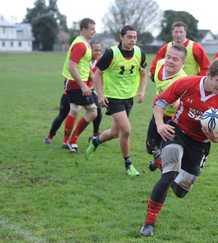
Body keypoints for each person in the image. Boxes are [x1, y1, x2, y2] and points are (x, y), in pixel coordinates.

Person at [140, 57, 218, 237]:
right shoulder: (187, 84)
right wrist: (160, 124)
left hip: (201, 143)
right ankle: (149, 223)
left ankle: (160, 160)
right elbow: (160, 102)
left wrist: (216, 138)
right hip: (178, 132)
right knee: (170, 174)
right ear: (208, 75)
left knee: (181, 191)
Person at [85, 25, 147, 177]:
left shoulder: (139, 53)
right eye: (129, 37)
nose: (132, 40)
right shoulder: (112, 53)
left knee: (115, 133)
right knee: (126, 130)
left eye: (135, 37)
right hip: (113, 97)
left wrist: (142, 91)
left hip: (128, 97)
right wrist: (100, 96)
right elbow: (98, 74)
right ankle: (128, 164)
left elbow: (144, 74)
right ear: (121, 36)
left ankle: (95, 141)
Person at [43, 40, 103, 145]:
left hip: (88, 90)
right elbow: (72, 73)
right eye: (95, 50)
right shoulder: (83, 59)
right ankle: (50, 136)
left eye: (100, 50)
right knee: (62, 115)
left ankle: (94, 134)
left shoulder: (100, 61)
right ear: (89, 50)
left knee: (97, 110)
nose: (98, 53)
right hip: (74, 90)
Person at [145, 44, 187, 171]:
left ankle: (166, 171)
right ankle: (158, 160)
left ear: (183, 63)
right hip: (158, 112)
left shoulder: (183, 80)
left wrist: (178, 102)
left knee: (168, 149)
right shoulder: (160, 64)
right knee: (150, 146)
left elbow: (187, 101)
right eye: (168, 57)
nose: (170, 61)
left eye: (175, 59)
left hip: (173, 118)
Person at [61, 18, 97, 153]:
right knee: (93, 112)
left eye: (94, 28)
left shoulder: (83, 43)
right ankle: (72, 141)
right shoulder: (80, 45)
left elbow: (81, 65)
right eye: (91, 29)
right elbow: (72, 66)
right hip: (75, 83)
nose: (94, 31)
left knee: (74, 109)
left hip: (72, 82)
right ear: (83, 30)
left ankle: (66, 141)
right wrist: (83, 85)